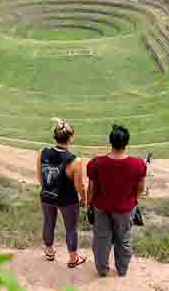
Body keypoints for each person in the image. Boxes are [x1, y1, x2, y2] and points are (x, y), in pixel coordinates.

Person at [87, 125, 147, 277]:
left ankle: (102, 270)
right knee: (123, 239)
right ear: (127, 143)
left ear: (110, 142)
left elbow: (92, 189)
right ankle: (122, 269)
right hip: (126, 209)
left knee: (101, 240)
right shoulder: (139, 164)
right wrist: (132, 199)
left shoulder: (96, 163)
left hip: (101, 207)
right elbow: (140, 188)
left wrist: (89, 204)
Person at [37, 119, 87, 268]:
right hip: (67, 200)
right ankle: (73, 259)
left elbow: (40, 177)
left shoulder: (42, 152)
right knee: (71, 229)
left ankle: (49, 252)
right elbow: (80, 186)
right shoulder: (75, 161)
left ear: (55, 136)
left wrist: (48, 190)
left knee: (48, 223)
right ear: (70, 139)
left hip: (47, 195)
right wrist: (84, 199)